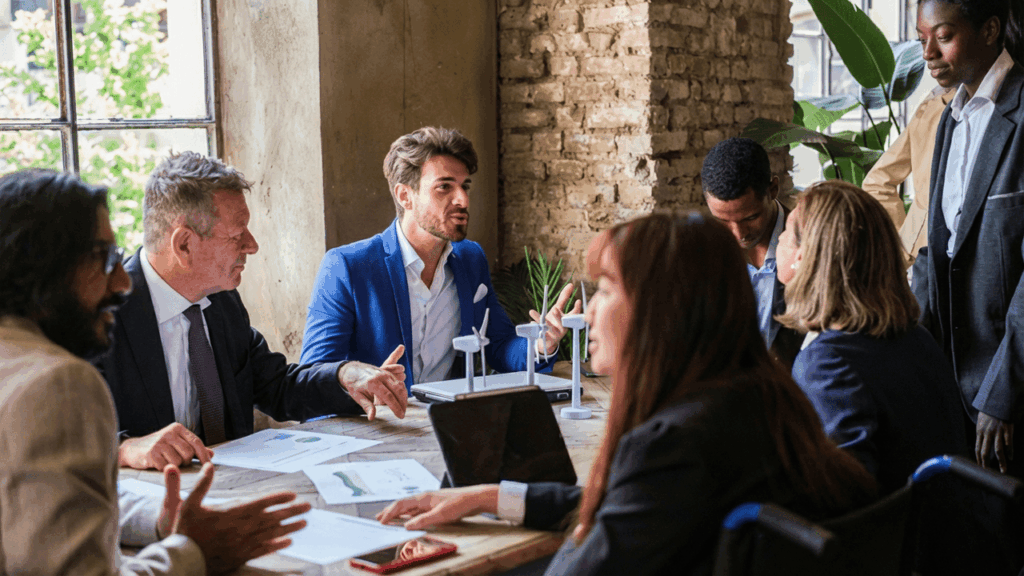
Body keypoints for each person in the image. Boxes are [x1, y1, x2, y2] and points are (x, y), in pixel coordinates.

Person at [377, 212, 877, 576]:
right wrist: (490, 496)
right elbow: (634, 504)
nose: (589, 312)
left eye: (608, 289)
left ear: (663, 308)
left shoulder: (673, 444)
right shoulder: (760, 398)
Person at [0, 169, 310, 575]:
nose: (121, 282)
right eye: (105, 259)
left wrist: (162, 521)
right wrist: (194, 552)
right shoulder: (58, 383)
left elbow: (60, 497)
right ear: (51, 271)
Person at [96, 151, 408, 472]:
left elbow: (276, 386)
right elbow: (53, 434)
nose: (252, 245)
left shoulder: (222, 301)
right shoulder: (98, 313)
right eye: (237, 234)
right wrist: (123, 448)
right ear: (185, 244)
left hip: (234, 490)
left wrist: (345, 376)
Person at [301, 126, 578, 389]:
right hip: (377, 427)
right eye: (444, 187)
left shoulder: (471, 259)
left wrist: (541, 344)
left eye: (465, 186)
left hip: (449, 423)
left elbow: (499, 346)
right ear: (405, 196)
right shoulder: (347, 267)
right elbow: (315, 378)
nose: (463, 200)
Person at [776, 180, 968, 493]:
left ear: (803, 256)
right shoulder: (916, 337)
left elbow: (844, 496)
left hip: (901, 537)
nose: (780, 238)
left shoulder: (827, 364)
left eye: (785, 231)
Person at [914, 0, 1024, 475]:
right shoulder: (949, 122)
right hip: (949, 379)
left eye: (943, 35)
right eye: (921, 40)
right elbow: (938, 249)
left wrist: (1003, 393)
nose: (929, 54)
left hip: (1007, 387)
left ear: (990, 30)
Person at [701, 137, 803, 369]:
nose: (738, 233)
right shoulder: (705, 251)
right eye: (723, 220)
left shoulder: (808, 244)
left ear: (773, 190)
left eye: (750, 218)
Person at [861, 85, 953, 266]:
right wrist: (904, 245)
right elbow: (878, 182)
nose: (928, 55)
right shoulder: (934, 105)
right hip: (925, 257)